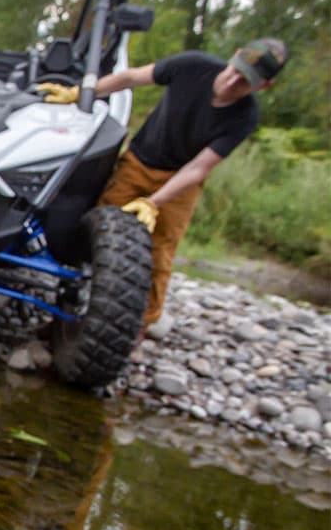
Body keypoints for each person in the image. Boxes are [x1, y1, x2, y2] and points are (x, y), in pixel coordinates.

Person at [39, 38, 288, 327]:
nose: (232, 81)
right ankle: (75, 297)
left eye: (244, 81)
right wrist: (81, 93)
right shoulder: (194, 66)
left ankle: (141, 325)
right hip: (139, 162)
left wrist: (153, 203)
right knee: (99, 227)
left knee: (159, 253)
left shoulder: (245, 117)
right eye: (235, 70)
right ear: (234, 55)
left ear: (262, 86)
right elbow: (131, 78)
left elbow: (199, 167)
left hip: (180, 182)